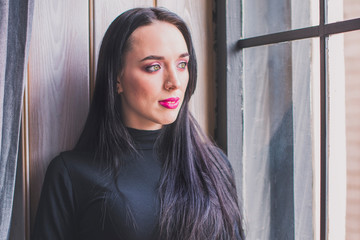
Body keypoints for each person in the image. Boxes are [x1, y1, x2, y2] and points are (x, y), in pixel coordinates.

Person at [32, 7, 245, 240]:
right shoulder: (71, 174)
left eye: (182, 64)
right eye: (154, 67)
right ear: (117, 78)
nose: (174, 82)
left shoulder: (214, 166)